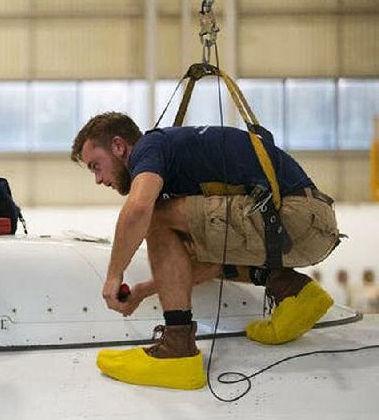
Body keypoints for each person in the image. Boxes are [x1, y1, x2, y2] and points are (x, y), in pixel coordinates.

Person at [70, 112, 340, 390]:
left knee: (155, 216)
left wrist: (114, 276)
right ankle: (293, 290)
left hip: (296, 216)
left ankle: (177, 349)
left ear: (118, 146)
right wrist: (143, 291)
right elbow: (203, 265)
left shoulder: (149, 148)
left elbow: (139, 209)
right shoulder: (178, 169)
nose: (98, 180)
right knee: (195, 244)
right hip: (311, 226)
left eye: (96, 166)